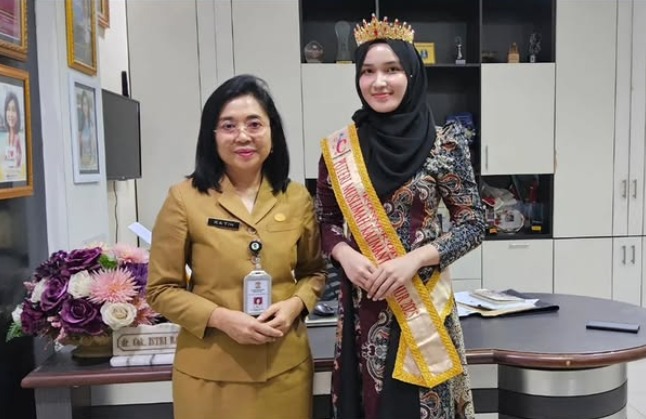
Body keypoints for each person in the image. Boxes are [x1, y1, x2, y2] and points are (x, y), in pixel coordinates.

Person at [316, 15, 485, 419]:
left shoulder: (446, 144)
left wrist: (414, 260)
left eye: (391, 70)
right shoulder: (339, 149)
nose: (379, 82)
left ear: (411, 74)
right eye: (368, 71)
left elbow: (473, 222)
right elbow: (326, 221)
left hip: (422, 302)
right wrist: (345, 255)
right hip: (363, 304)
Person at [146, 74, 327, 419]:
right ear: (211, 136)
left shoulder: (296, 197)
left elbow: (314, 272)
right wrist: (222, 319)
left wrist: (294, 305)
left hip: (284, 370)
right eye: (228, 126)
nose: (243, 136)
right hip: (210, 374)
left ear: (272, 133)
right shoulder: (183, 199)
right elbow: (161, 289)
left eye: (254, 124)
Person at [78, 90, 97, 171]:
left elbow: (94, 143)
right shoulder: (81, 121)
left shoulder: (92, 121)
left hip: (91, 163)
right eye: (83, 104)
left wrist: (91, 160)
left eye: (86, 104)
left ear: (89, 105)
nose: (84, 107)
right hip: (83, 161)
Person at [3, 92, 22, 172]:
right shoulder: (6, 137)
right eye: (8, 109)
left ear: (17, 114)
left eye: (13, 110)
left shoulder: (18, 138)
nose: (10, 114)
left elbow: (20, 160)